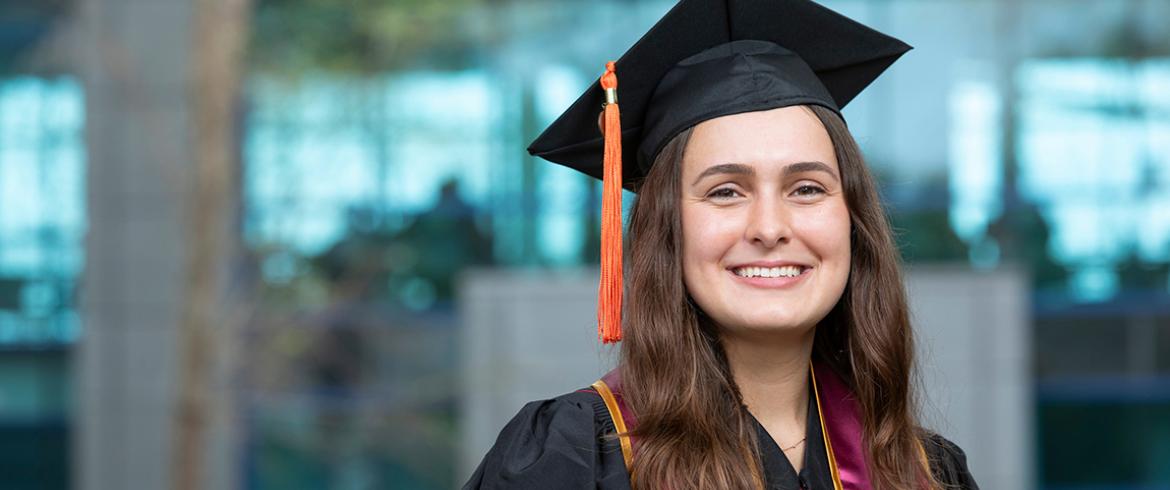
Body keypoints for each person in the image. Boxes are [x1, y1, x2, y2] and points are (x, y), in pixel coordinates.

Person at [465, 0, 979, 488]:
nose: (770, 226)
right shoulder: (575, 459)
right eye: (725, 191)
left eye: (806, 188)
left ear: (853, 221)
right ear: (666, 230)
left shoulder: (926, 473)